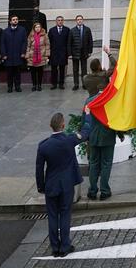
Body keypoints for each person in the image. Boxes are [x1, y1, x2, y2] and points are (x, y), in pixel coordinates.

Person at [36, 111, 88, 258]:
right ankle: (65, 246)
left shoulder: (43, 146)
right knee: (65, 214)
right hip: (66, 185)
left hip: (51, 185)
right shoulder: (69, 140)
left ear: (50, 126)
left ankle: (55, 247)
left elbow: (39, 169)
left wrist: (41, 186)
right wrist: (88, 116)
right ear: (63, 125)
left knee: (52, 216)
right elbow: (84, 135)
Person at [83, 94, 117, 200]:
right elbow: (117, 119)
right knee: (106, 164)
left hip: (93, 136)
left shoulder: (89, 100)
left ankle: (92, 191)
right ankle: (104, 191)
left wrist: (85, 136)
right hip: (108, 137)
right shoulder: (111, 100)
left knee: (93, 163)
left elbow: (84, 119)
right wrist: (120, 134)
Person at [1, 15, 28, 92]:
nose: (15, 21)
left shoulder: (22, 30)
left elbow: (24, 42)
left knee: (17, 73)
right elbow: (3, 43)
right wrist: (4, 54)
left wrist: (23, 52)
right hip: (8, 56)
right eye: (13, 20)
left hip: (18, 55)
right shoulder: (5, 31)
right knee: (9, 73)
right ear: (10, 21)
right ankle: (9, 87)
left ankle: (17, 86)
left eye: (16, 19)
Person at [68, 15, 94, 91]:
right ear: (76, 21)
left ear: (83, 20)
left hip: (84, 53)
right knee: (75, 70)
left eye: (81, 19)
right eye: (78, 19)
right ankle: (76, 84)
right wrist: (69, 54)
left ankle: (84, 84)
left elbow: (90, 41)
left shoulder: (87, 29)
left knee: (84, 70)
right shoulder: (72, 30)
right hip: (75, 53)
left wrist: (90, 51)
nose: (79, 20)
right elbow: (69, 43)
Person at [48, 16, 70, 90]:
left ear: (63, 21)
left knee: (62, 69)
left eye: (61, 20)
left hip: (63, 52)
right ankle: (54, 84)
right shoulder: (52, 30)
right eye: (58, 20)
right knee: (54, 69)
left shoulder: (67, 30)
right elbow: (49, 42)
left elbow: (68, 42)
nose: (60, 21)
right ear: (56, 21)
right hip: (54, 52)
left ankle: (61, 83)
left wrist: (68, 52)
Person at [27, 21, 50, 91]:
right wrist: (27, 55)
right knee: (33, 72)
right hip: (32, 56)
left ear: (41, 28)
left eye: (39, 27)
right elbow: (28, 46)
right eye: (36, 27)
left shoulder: (44, 35)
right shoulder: (31, 35)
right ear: (34, 28)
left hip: (41, 56)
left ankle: (39, 85)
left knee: (40, 72)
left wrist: (47, 55)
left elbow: (47, 45)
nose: (37, 28)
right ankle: (34, 85)